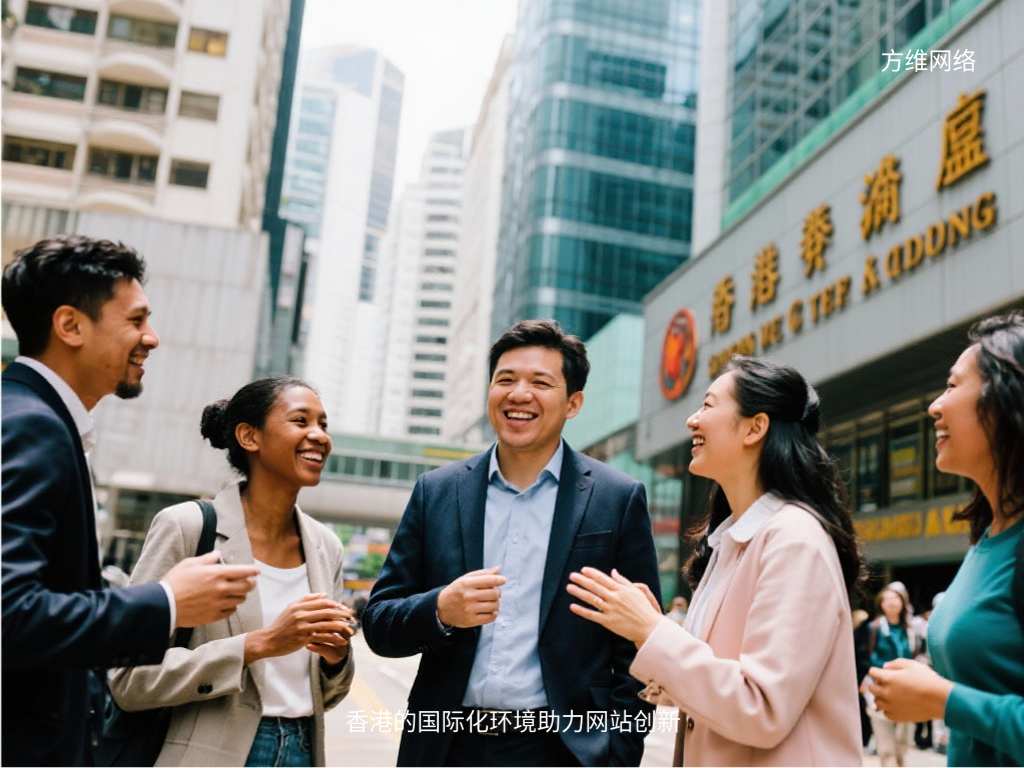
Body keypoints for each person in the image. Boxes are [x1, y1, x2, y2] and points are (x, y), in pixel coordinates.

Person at [1, 235, 259, 766]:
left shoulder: (36, 420)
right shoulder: (32, 429)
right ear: (70, 325)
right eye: (136, 320)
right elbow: (10, 614)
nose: (153, 338)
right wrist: (167, 601)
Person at [362, 319, 661, 767]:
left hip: (561, 749)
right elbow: (379, 623)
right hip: (446, 745)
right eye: (505, 379)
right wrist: (441, 608)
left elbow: (640, 644)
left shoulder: (616, 499)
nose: (519, 394)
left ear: (573, 403)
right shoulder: (437, 492)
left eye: (540, 382)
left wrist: (616, 754)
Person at [565, 356, 863, 765]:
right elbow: (720, 689)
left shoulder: (794, 539)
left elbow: (761, 708)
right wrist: (646, 636)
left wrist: (653, 631)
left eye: (707, 405)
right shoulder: (734, 540)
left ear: (755, 427)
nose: (692, 420)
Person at [110, 376, 355, 766]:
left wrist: (336, 658)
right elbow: (128, 679)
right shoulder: (187, 527)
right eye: (300, 421)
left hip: (304, 749)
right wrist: (257, 645)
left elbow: (326, 694)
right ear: (248, 436)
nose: (319, 436)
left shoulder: (326, 547)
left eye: (323, 424)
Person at [869, 312, 1024, 766]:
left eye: (953, 386)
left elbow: (962, 700)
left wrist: (944, 700)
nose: (935, 406)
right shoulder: (987, 538)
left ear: (1006, 401)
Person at [863, 583, 918, 766]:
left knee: (902, 742)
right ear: (881, 604)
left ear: (902, 602)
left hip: (907, 689)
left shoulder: (909, 629)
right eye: (886, 599)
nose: (891, 603)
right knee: (886, 745)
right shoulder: (873, 627)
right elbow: (862, 657)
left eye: (895, 599)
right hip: (879, 687)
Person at [852, 608, 874, 749]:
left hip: (860, 676)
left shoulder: (860, 634)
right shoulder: (859, 634)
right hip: (860, 676)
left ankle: (865, 738)